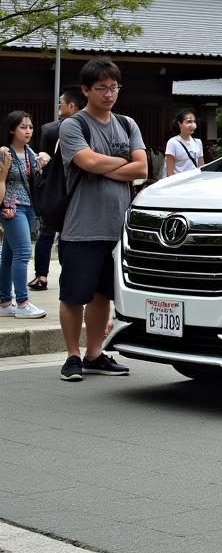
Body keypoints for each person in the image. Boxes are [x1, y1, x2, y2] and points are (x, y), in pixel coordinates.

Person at [57, 58, 147, 383]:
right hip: (81, 227)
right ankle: (72, 356)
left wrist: (103, 164)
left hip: (117, 228)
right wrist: (121, 161)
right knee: (73, 295)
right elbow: (87, 161)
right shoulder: (73, 126)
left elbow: (143, 169)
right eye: (101, 88)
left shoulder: (126, 124)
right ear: (85, 90)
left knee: (102, 296)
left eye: (114, 88)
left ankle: (94, 353)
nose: (109, 94)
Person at [30, 85, 86, 291]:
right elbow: (43, 159)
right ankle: (48, 275)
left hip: (67, 189)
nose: (59, 105)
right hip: (60, 188)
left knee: (56, 232)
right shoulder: (51, 129)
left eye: (61, 102)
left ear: (72, 105)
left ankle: (45, 275)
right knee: (52, 232)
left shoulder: (55, 128)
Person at [0, 111, 50, 319]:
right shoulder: (4, 152)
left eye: (30, 127)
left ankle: (4, 302)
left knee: (8, 255)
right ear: (12, 129)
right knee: (22, 252)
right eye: (23, 127)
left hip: (28, 207)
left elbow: (36, 175)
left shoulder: (29, 152)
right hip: (11, 207)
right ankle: (22, 303)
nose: (28, 131)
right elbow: (2, 182)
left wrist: (45, 158)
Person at [164, 109, 205, 176]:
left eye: (194, 122)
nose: (192, 125)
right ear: (179, 124)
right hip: (180, 183)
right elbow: (170, 172)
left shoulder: (198, 142)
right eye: (189, 122)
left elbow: (201, 167)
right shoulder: (173, 142)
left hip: (195, 181)